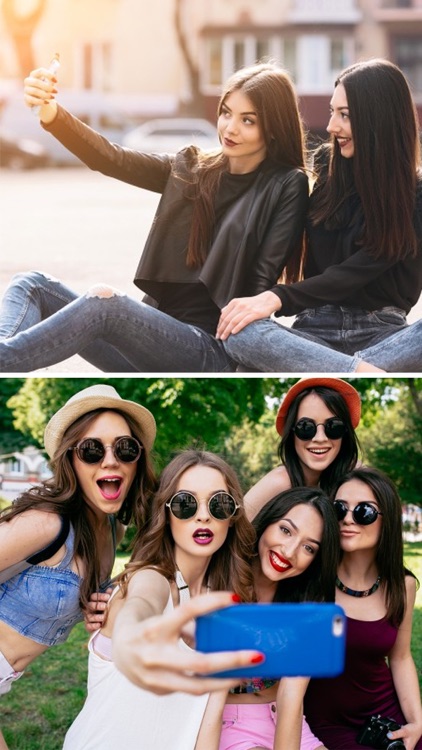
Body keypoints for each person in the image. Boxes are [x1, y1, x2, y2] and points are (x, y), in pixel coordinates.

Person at [0, 62, 308, 373]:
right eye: (226, 112)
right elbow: (111, 158)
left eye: (248, 120)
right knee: (32, 285)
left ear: (273, 128)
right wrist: (51, 112)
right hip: (146, 339)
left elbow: (259, 287)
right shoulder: (193, 168)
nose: (230, 128)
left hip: (209, 347)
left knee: (105, 303)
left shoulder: (285, 184)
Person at [217, 58, 422, 372]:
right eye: (332, 112)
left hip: (385, 335)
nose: (331, 126)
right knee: (240, 331)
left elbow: (356, 271)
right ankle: (359, 373)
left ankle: (345, 369)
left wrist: (278, 298)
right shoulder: (328, 166)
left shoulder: (415, 193)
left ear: (377, 119)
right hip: (313, 331)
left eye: (345, 115)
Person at [62, 449, 258, 749]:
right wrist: (129, 640)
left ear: (231, 517)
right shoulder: (151, 579)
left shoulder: (225, 607)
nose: (203, 515)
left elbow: (209, 718)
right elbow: (141, 604)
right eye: (185, 504)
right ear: (165, 514)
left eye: (219, 504)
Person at [0, 383, 157, 749]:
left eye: (125, 448)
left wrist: (97, 605)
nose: (110, 460)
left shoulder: (110, 528)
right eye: (91, 450)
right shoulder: (46, 523)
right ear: (70, 460)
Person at [196, 486, 340, 750]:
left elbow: (292, 696)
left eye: (308, 547)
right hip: (228, 722)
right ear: (267, 522)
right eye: (285, 530)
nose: (289, 551)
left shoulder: (309, 605)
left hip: (284, 718)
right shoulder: (219, 578)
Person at [304, 466, 422, 749]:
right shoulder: (309, 576)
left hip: (385, 717)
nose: (347, 519)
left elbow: (401, 657)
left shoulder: (402, 585)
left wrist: (416, 724)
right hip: (327, 725)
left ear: (387, 521)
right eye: (339, 509)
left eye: (363, 512)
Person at [245, 377, 361, 520]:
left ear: (345, 433)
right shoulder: (279, 482)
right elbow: (233, 536)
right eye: (306, 427)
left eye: (334, 426)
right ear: (292, 432)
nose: (320, 438)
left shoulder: (348, 478)